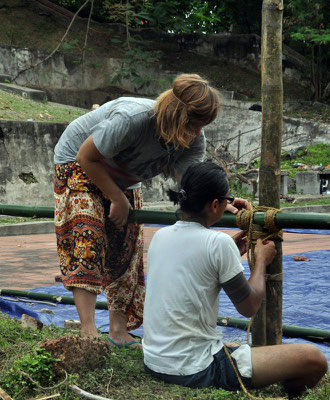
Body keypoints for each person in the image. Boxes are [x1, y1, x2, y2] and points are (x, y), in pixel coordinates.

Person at [53, 74, 248, 347]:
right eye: (194, 124)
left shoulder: (194, 140)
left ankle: (118, 331)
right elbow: (86, 156)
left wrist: (223, 202)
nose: (198, 132)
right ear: (179, 115)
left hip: (123, 177)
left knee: (128, 249)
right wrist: (117, 199)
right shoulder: (132, 119)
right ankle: (88, 331)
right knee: (87, 236)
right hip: (78, 162)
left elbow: (190, 186)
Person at [143, 161, 327, 395]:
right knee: (314, 358)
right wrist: (260, 261)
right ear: (215, 204)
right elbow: (249, 306)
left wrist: (229, 249)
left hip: (155, 362)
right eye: (228, 199)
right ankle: (287, 393)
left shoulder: (161, 235)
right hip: (195, 368)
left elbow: (199, 262)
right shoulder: (217, 243)